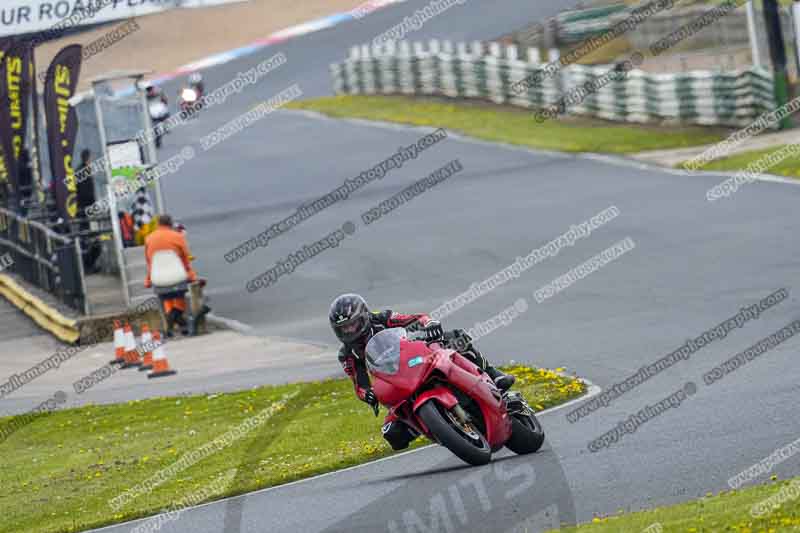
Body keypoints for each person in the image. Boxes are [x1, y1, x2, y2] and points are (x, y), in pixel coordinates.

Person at [329, 293, 515, 451]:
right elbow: (359, 384)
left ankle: (493, 375)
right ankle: (436, 426)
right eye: (343, 328)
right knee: (393, 434)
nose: (349, 331)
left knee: (457, 339)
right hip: (395, 382)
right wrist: (367, 394)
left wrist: (430, 324)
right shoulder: (347, 355)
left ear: (364, 317)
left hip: (415, 359)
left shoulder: (382, 318)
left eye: (352, 324)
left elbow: (416, 319)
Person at [144, 214, 196, 336]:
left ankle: (175, 326)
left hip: (158, 279)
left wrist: (148, 280)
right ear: (171, 224)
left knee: (166, 297)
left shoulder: (149, 238)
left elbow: (149, 262)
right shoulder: (178, 236)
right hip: (177, 277)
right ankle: (177, 325)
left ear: (158, 224)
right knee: (178, 295)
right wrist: (191, 275)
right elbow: (186, 259)